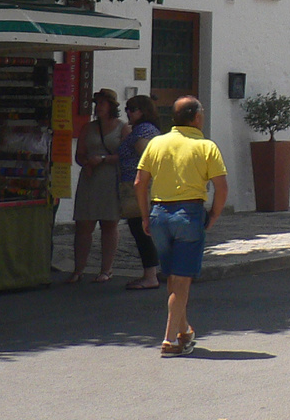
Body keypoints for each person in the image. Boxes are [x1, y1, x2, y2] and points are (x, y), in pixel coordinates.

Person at [135, 95, 227, 357]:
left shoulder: (156, 143)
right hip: (189, 213)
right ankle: (169, 339)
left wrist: (144, 216)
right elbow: (222, 188)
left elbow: (139, 183)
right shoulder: (206, 146)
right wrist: (214, 215)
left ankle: (184, 329)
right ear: (196, 117)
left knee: (174, 278)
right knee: (182, 281)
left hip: (159, 214)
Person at [68, 88, 127, 283]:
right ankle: (79, 268)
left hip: (110, 178)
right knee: (84, 224)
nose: (98, 107)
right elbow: (79, 154)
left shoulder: (122, 128)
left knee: (109, 224)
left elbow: (126, 156)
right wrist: (86, 163)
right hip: (90, 179)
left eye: (102, 103)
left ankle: (106, 269)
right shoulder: (88, 128)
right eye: (97, 103)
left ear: (111, 106)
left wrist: (103, 159)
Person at [118, 95, 163, 290]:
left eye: (133, 108)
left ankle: (150, 275)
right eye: (127, 108)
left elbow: (146, 159)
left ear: (143, 111)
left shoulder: (143, 131)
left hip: (138, 187)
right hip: (135, 185)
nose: (129, 112)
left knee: (141, 229)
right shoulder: (140, 130)